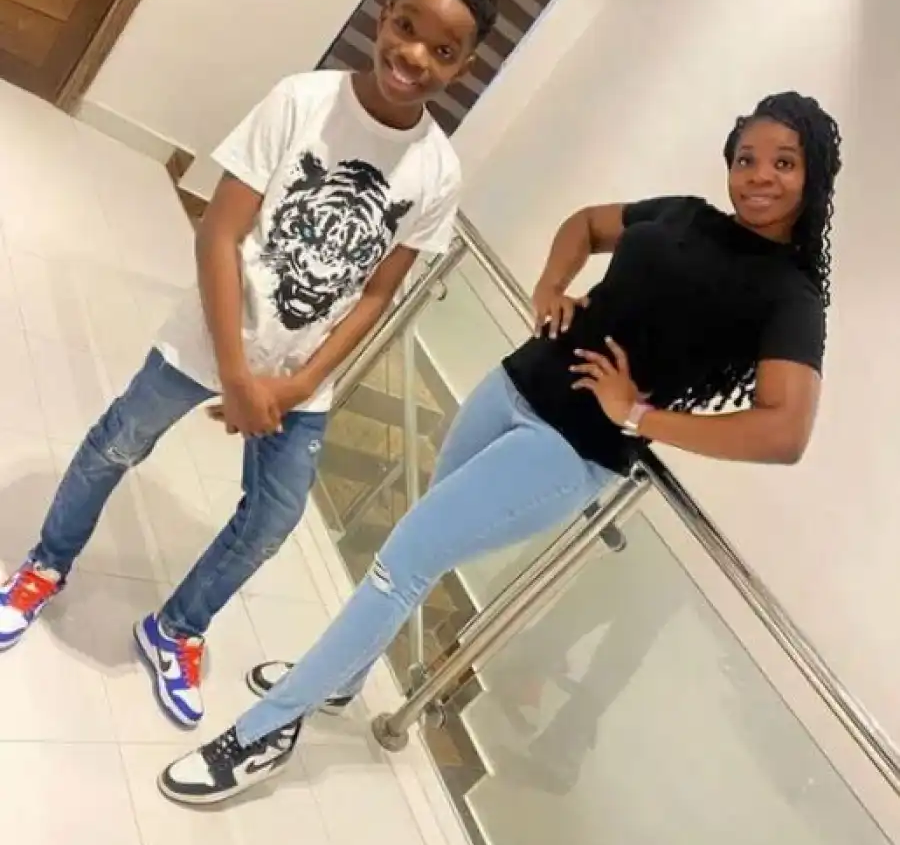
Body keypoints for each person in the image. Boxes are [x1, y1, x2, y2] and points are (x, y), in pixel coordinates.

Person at [158, 91, 842, 803]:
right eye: (746, 158)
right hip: (514, 385)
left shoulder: (790, 297)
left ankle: (266, 731)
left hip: (572, 450)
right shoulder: (685, 214)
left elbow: (784, 431)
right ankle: (341, 679)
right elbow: (586, 224)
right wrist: (552, 286)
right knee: (414, 547)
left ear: (813, 174)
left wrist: (639, 414)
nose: (758, 176)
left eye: (783, 163)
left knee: (402, 563)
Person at [0, 0, 499, 728]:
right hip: (214, 336)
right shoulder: (302, 101)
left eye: (442, 50)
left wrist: (298, 383)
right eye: (407, 28)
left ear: (463, 67)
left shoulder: (437, 171)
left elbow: (376, 292)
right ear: (384, 17)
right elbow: (219, 233)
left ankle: (176, 627)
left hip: (303, 377)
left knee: (272, 517)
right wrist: (236, 373)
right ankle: (45, 563)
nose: (414, 57)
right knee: (119, 443)